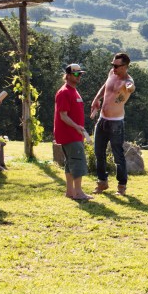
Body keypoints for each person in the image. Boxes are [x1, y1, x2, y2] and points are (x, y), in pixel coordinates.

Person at [90, 53, 136, 195]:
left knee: (118, 155)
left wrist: (129, 87)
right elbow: (105, 86)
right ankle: (102, 182)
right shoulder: (112, 73)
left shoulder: (128, 81)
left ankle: (121, 186)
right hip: (102, 120)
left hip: (116, 123)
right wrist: (96, 99)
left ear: (125, 66)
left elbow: (131, 87)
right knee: (99, 152)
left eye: (116, 66)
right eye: (112, 65)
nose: (113, 68)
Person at [55, 63, 93, 201]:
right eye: (76, 74)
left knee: (70, 162)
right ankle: (78, 193)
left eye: (80, 74)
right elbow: (63, 115)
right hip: (70, 134)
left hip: (75, 133)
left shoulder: (73, 90)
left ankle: (70, 191)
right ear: (68, 75)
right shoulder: (64, 92)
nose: (79, 76)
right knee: (78, 161)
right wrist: (77, 127)